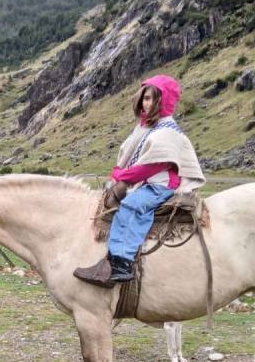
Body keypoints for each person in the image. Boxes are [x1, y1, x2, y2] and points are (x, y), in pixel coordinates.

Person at [73, 74, 205, 287]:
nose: (147, 103)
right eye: (145, 98)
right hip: (145, 182)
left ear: (164, 101)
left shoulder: (167, 131)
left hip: (159, 185)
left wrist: (121, 176)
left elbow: (151, 166)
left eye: (152, 99)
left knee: (132, 206)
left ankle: (121, 264)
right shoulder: (146, 127)